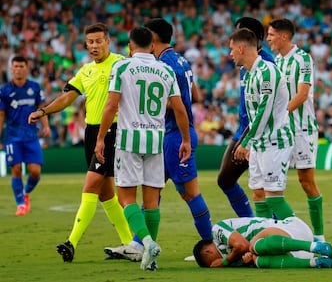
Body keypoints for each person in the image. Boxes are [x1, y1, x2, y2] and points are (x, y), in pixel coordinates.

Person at [104, 18, 213, 261]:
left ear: (152, 39)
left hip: (172, 135)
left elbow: (176, 105)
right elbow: (194, 95)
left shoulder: (161, 63)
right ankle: (138, 244)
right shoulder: (182, 60)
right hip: (164, 136)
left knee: (189, 192)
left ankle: (212, 246)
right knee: (152, 192)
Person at [28, 22, 133, 262]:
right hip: (91, 133)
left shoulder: (121, 63)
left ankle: (71, 242)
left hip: (112, 131)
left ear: (107, 41)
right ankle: (129, 243)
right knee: (106, 194)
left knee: (90, 187)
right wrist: (43, 112)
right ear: (86, 45)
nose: (94, 46)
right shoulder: (85, 71)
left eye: (98, 41)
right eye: (90, 42)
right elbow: (67, 98)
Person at [94, 26, 191, 271]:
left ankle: (147, 242)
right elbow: (180, 109)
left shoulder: (122, 67)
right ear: (151, 45)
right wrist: (186, 140)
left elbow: (111, 106)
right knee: (152, 202)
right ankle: (151, 259)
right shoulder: (165, 69)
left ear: (130, 46)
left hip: (128, 140)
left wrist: (100, 138)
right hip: (156, 141)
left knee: (125, 197)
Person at [266, 18, 325, 241]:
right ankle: (277, 234)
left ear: (283, 36)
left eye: (271, 35)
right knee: (271, 185)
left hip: (302, 130)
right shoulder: (276, 62)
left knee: (306, 182)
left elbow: (301, 94)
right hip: (281, 132)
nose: (268, 39)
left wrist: (280, 115)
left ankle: (319, 237)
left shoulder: (303, 59)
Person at [229, 28, 295, 220]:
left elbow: (263, 113)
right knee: (258, 195)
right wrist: (253, 144)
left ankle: (303, 243)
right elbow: (252, 116)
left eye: (232, 49)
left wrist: (245, 142)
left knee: (274, 198)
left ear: (241, 48)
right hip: (260, 144)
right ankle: (266, 241)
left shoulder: (268, 72)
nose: (230, 53)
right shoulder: (248, 75)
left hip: (276, 142)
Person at [217, 17, 275, 218]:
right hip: (243, 128)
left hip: (258, 131)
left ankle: (279, 230)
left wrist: (249, 139)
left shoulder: (267, 65)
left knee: (266, 190)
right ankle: (254, 224)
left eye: (239, 33)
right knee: (226, 180)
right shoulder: (244, 66)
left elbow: (265, 108)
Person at [0, 55, 51, 216]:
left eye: (22, 66)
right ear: (11, 69)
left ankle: (26, 193)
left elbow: (42, 108)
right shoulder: (4, 91)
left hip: (31, 136)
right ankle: (20, 204)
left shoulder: (35, 88)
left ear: (27, 68)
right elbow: (1, 115)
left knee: (35, 172)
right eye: (16, 66)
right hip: (12, 137)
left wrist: (46, 126)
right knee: (16, 169)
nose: (19, 69)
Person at [193, 216, 332, 269]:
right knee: (258, 260)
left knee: (254, 246)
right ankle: (316, 262)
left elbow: (242, 245)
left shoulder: (216, 230)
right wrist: (249, 261)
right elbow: (247, 253)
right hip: (294, 254)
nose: (215, 265)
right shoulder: (234, 261)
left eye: (211, 263)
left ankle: (315, 246)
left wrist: (224, 262)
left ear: (208, 252)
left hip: (292, 230)